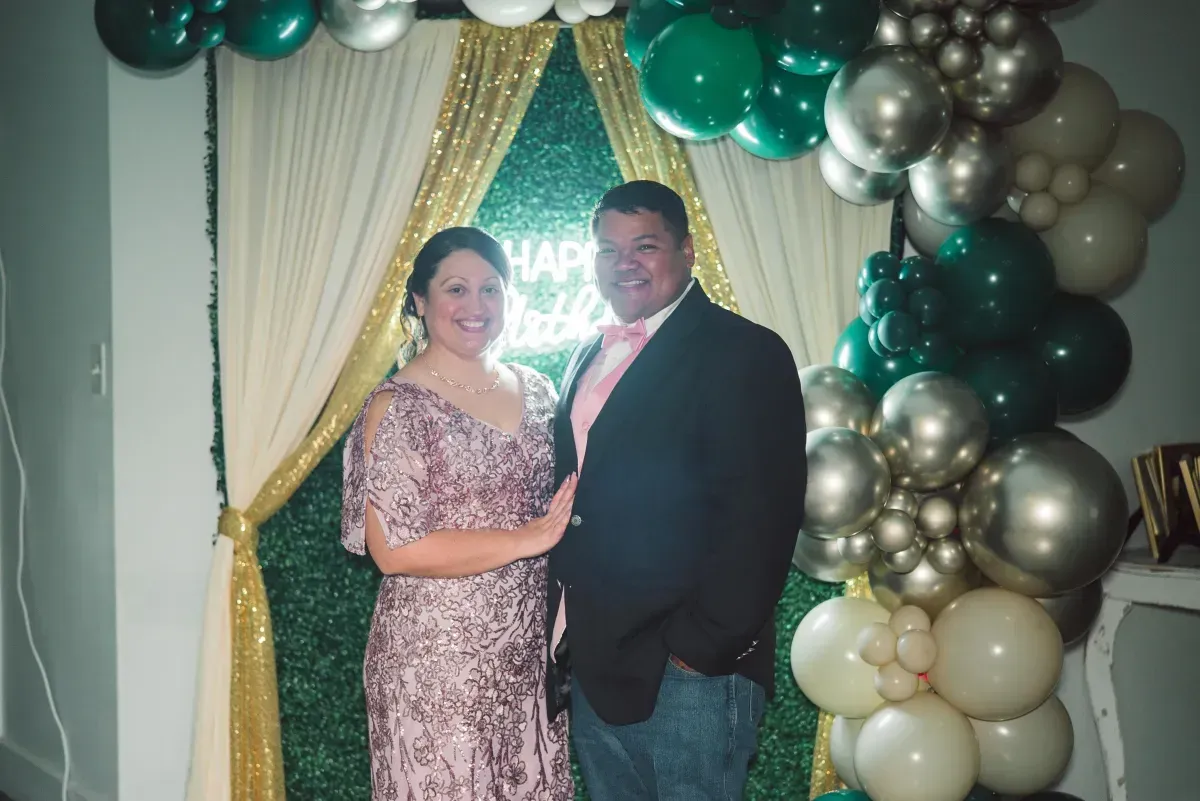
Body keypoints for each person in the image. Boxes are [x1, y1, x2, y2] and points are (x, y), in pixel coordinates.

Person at [546, 181, 807, 800]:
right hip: (596, 661)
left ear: (687, 251)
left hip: (691, 674)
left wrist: (700, 650)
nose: (624, 264)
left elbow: (764, 516)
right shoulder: (589, 352)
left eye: (645, 246)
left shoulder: (745, 351)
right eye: (608, 250)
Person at [341, 227, 576, 801]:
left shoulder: (540, 390)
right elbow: (394, 550)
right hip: (435, 662)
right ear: (420, 301)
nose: (476, 307)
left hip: (528, 660)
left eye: (491, 290)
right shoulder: (397, 407)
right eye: (456, 289)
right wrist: (528, 538)